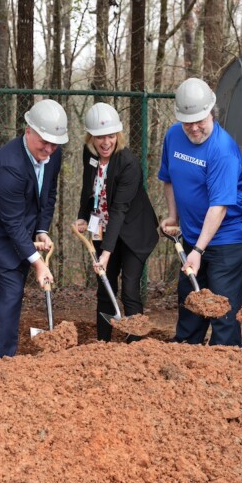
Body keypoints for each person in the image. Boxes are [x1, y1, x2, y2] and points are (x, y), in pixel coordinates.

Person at [0, 99, 68, 360]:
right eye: (44, 141)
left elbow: (49, 193)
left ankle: (3, 351)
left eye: (55, 143)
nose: (49, 148)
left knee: (13, 288)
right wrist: (37, 263)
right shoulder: (7, 165)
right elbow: (10, 221)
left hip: (22, 227)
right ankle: (3, 360)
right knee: (10, 290)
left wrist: (41, 230)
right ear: (28, 130)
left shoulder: (52, 155)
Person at [158, 78, 242, 347]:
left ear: (211, 112)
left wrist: (198, 251)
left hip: (229, 234)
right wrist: (173, 216)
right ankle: (186, 355)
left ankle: (223, 360)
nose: (194, 127)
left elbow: (219, 207)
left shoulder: (222, 150)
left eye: (199, 119)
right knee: (190, 297)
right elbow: (169, 178)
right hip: (192, 232)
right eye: (187, 121)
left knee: (221, 302)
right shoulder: (173, 136)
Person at [75, 103, 159, 341]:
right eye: (99, 137)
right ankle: (104, 342)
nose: (105, 142)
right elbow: (88, 187)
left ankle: (136, 345)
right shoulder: (89, 154)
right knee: (104, 287)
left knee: (130, 289)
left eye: (111, 136)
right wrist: (83, 215)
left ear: (118, 135)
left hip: (134, 233)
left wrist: (105, 254)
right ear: (91, 137)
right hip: (104, 228)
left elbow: (120, 210)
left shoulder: (128, 163)